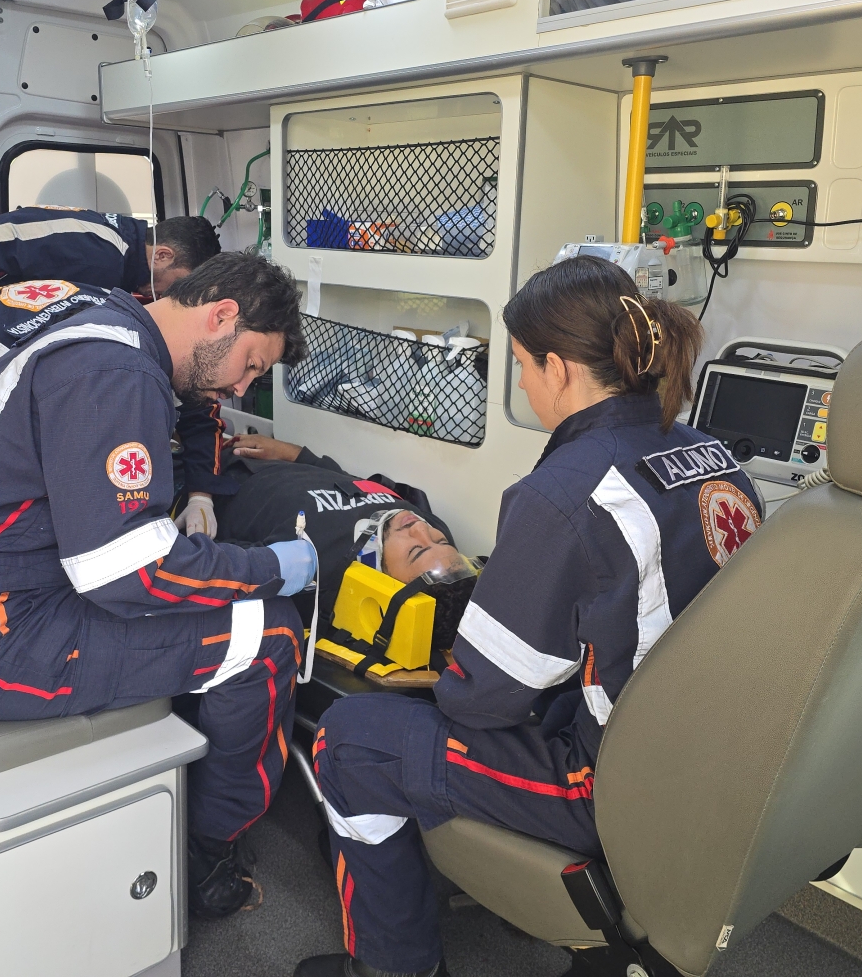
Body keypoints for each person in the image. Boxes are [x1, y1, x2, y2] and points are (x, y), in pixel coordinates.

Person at [295, 256, 763, 977]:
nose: (520, 383)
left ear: (559, 367)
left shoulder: (562, 494)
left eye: (519, 365)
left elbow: (485, 701)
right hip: (710, 760)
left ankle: (395, 968)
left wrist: (435, 680)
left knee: (352, 739)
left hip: (611, 785)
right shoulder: (712, 456)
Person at [0, 253, 315, 921]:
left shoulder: (102, 328)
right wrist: (270, 567)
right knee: (270, 632)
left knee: (214, 595)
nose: (241, 389)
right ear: (222, 315)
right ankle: (209, 848)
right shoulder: (116, 370)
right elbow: (124, 572)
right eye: (252, 364)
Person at [0, 274, 245, 519]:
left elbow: (200, 412)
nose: (241, 388)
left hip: (32, 316)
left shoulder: (158, 340)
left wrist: (201, 495)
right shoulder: (79, 369)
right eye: (251, 364)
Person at [212, 434, 480, 653]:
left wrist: (199, 496)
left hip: (221, 475)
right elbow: (354, 484)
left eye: (416, 550)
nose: (422, 528)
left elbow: (216, 558)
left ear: (384, 586)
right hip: (276, 456)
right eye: (439, 540)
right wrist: (294, 453)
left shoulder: (313, 570)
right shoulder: (435, 535)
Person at [0, 208, 221, 351]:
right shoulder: (99, 256)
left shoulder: (119, 238)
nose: (169, 294)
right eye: (177, 284)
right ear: (162, 255)